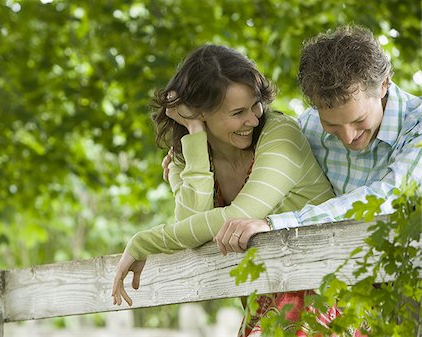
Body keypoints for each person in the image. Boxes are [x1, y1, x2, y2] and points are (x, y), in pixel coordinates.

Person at [111, 44, 335, 335]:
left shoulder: (281, 135)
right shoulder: (187, 158)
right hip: (268, 301)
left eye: (256, 105)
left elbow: (240, 215)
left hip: (326, 290)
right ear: (200, 112)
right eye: (238, 112)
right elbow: (190, 227)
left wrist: (143, 242)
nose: (253, 120)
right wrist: (195, 137)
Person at [215, 25, 422, 336]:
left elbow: (387, 199)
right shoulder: (308, 128)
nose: (349, 136)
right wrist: (196, 157)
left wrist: (279, 223)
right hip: (318, 287)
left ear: (383, 85)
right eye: (332, 124)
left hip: (398, 293)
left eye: (358, 120)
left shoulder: (416, 127)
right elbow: (256, 164)